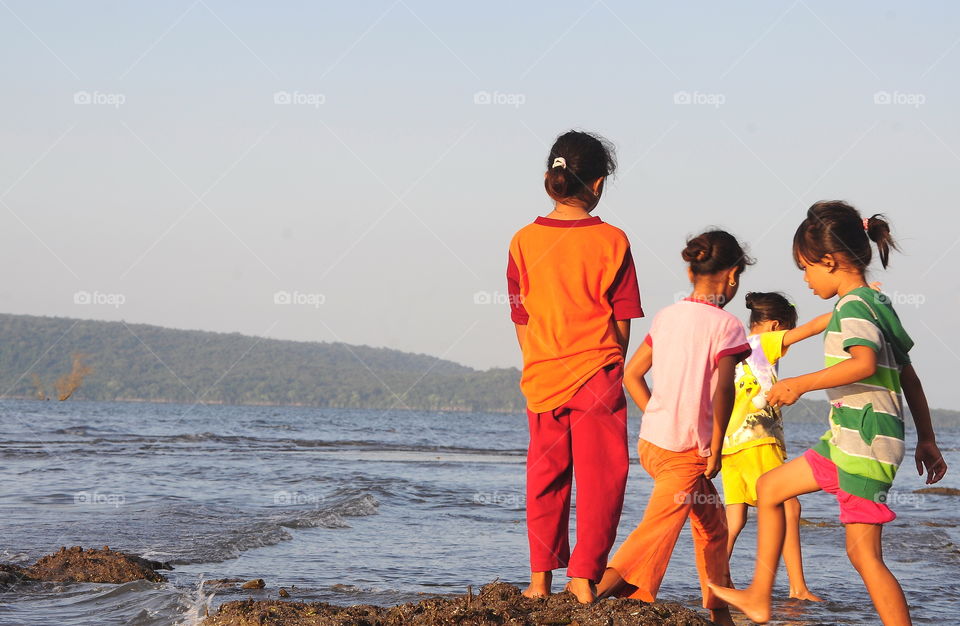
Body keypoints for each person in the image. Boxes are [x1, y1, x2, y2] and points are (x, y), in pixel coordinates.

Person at [709, 201, 949, 625]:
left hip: (863, 444)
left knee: (864, 556)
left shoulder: (853, 307)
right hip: (847, 441)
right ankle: (760, 596)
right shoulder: (878, 303)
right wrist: (926, 437)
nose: (804, 278)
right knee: (770, 488)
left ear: (830, 261)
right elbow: (908, 376)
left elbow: (864, 364)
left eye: (805, 268)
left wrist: (798, 384)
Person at [506, 130, 644, 603]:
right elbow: (623, 319)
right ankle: (584, 578)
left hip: (541, 375)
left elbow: (520, 317)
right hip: (597, 374)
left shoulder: (523, 240)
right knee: (603, 478)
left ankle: (539, 581)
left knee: (545, 479)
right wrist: (611, 362)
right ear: (599, 183)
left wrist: (538, 359)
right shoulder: (613, 240)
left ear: (552, 180)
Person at [596, 229, 754, 626]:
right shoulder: (728, 325)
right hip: (688, 450)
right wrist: (717, 445)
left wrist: (655, 413)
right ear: (732, 275)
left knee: (714, 526)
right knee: (656, 529)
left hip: (653, 444)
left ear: (691, 271)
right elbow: (724, 393)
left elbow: (632, 375)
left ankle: (720, 615)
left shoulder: (667, 316)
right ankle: (590, 594)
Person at [721, 291, 829, 602]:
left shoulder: (735, 349)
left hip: (730, 446)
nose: (787, 346)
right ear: (775, 326)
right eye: (785, 336)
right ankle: (798, 589)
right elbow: (811, 328)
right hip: (758, 440)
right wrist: (851, 304)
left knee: (736, 518)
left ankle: (713, 580)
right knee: (789, 507)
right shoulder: (763, 343)